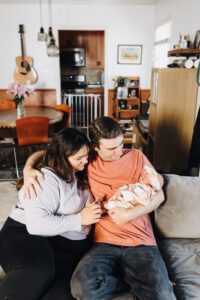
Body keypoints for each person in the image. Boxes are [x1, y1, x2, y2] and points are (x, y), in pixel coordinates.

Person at [21, 117, 176, 300]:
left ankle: (143, 282)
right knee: (81, 288)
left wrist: (130, 214)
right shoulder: (86, 161)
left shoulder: (136, 157)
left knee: (163, 295)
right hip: (103, 243)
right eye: (111, 148)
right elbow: (54, 151)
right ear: (95, 147)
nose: (119, 151)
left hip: (140, 242)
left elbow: (159, 195)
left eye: (121, 144)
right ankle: (131, 281)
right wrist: (28, 167)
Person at [0, 128, 102, 300]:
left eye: (87, 155)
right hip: (23, 231)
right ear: (63, 157)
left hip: (63, 244)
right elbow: (36, 226)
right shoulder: (47, 179)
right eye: (79, 158)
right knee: (40, 271)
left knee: (64, 291)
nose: (86, 161)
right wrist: (80, 218)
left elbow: (45, 152)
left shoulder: (78, 170)